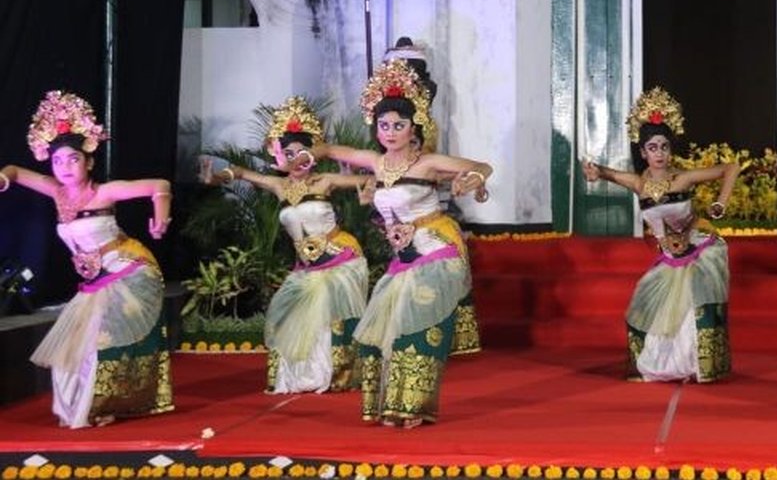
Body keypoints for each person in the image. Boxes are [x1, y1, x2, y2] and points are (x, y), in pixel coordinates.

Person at [303, 58, 490, 427]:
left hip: (437, 250)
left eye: (399, 126)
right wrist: (313, 153)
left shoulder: (427, 163)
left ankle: (414, 406)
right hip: (403, 257)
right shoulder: (375, 162)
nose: (390, 132)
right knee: (380, 333)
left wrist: (472, 179)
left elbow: (482, 167)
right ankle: (391, 404)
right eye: (384, 125)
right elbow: (332, 151)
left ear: (412, 128)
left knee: (416, 328)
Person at [0, 91, 173, 428]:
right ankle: (86, 407)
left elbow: (159, 185)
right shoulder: (55, 190)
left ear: (89, 161)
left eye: (73, 159)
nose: (64, 168)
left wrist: (161, 217)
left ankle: (101, 405)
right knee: (71, 350)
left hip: (129, 270)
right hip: (95, 281)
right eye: (57, 161)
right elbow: (17, 173)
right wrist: (3, 178)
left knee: (99, 344)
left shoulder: (104, 192)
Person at [200, 96, 370, 394]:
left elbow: (370, 178)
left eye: (302, 152)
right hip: (305, 266)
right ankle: (300, 378)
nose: (295, 160)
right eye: (288, 153)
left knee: (328, 320)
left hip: (339, 259)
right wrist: (217, 177)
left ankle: (335, 376)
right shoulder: (279, 185)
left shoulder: (324, 181)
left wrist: (355, 176)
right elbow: (239, 173)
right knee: (291, 318)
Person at [581, 86, 739, 383]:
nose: (660, 154)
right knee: (644, 299)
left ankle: (698, 365)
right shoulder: (638, 184)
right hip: (668, 255)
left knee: (694, 298)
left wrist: (721, 202)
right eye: (653, 148)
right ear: (643, 152)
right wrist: (593, 171)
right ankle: (660, 366)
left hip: (699, 248)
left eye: (664, 147)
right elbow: (603, 172)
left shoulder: (683, 178)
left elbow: (731, 168)